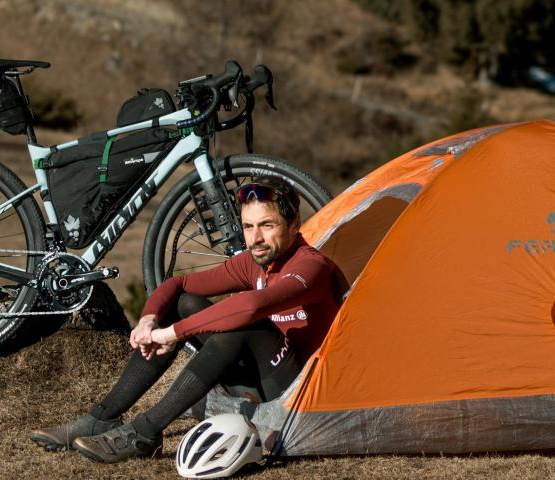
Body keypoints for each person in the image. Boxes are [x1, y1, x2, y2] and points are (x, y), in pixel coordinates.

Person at [31, 178, 339, 464]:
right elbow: (178, 285)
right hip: (259, 381)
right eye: (248, 226)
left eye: (267, 225)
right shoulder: (256, 261)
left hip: (300, 394)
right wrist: (148, 320)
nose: (255, 238)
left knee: (242, 322)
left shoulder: (311, 266)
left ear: (294, 224)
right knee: (184, 303)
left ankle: (145, 432)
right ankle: (103, 416)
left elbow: (250, 306)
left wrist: (173, 334)